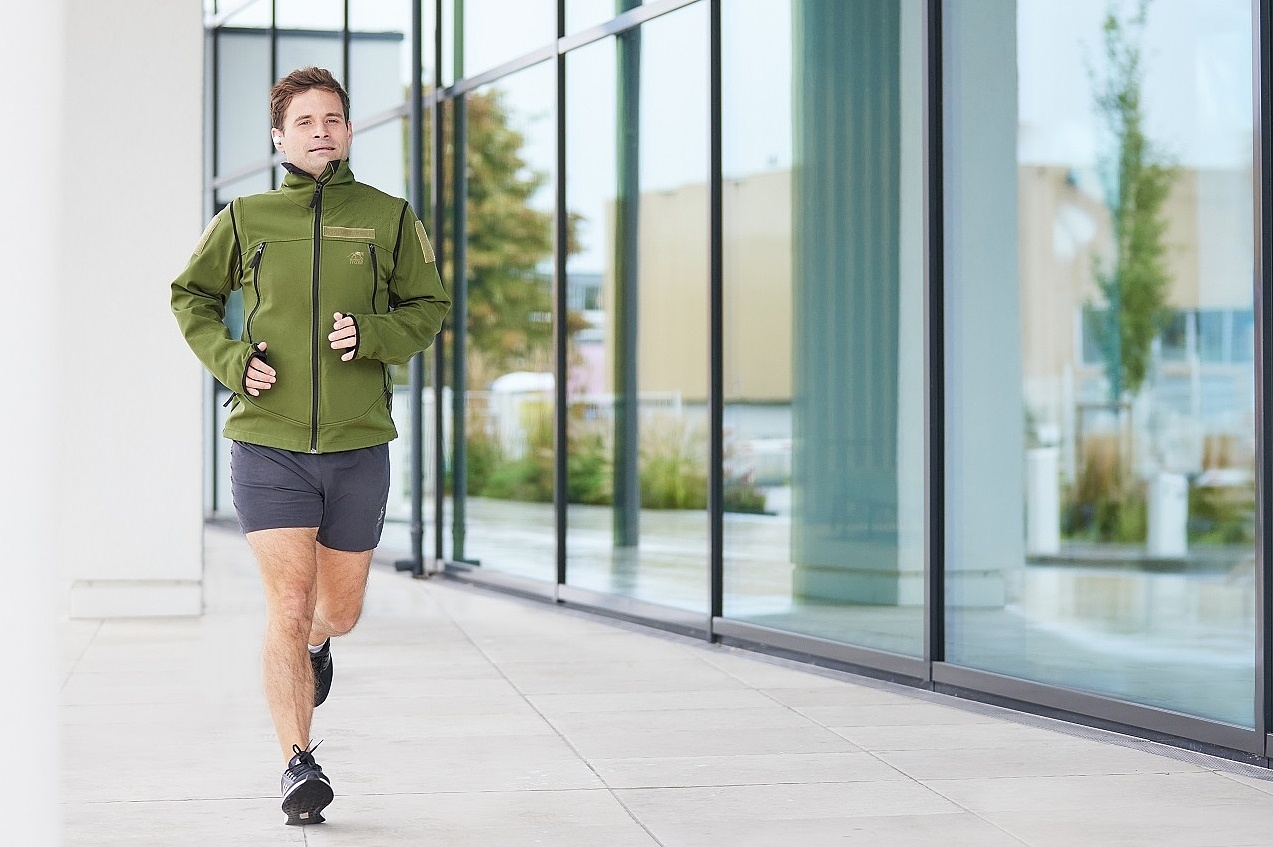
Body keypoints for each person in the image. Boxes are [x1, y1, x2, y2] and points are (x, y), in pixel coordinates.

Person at [170, 66, 450, 827]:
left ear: (350, 131)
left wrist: (377, 337)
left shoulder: (389, 217)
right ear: (278, 136)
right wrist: (232, 360)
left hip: (359, 442)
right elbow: (187, 295)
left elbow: (429, 305)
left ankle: (322, 645)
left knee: (337, 610)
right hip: (268, 442)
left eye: (332, 118)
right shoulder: (245, 217)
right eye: (304, 120)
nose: (320, 130)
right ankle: (299, 762)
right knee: (287, 606)